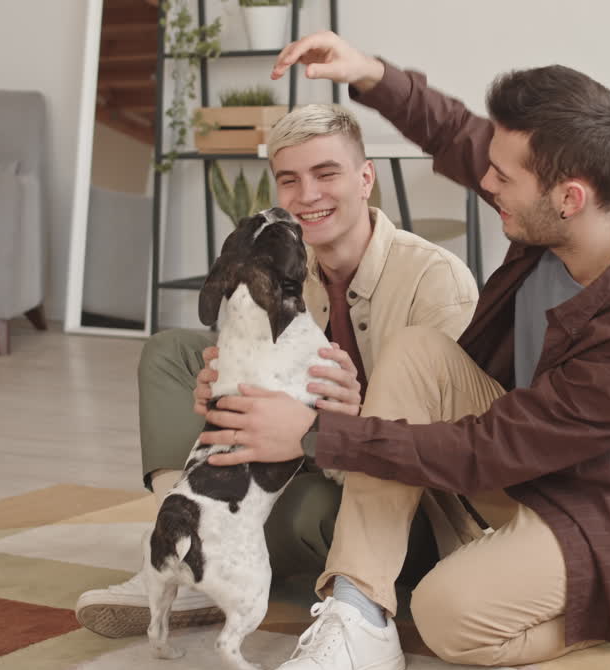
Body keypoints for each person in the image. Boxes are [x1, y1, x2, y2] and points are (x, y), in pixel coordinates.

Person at [198, 32, 610, 670]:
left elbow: (494, 446)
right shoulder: (579, 193)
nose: (486, 181)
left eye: (504, 178)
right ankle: (359, 612)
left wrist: (309, 432)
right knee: (418, 349)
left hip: (604, 512)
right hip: (531, 468)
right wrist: (370, 74)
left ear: (569, 197)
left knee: (446, 617)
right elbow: (456, 132)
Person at [74, 103, 479, 639]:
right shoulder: (289, 263)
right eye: (289, 180)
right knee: (172, 352)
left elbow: (456, 450)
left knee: (307, 513)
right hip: (295, 459)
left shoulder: (437, 281)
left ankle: (220, 567)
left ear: (365, 178)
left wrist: (344, 422)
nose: (306, 195)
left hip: (397, 498)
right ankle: (182, 547)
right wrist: (226, 391)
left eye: (326, 173)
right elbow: (266, 380)